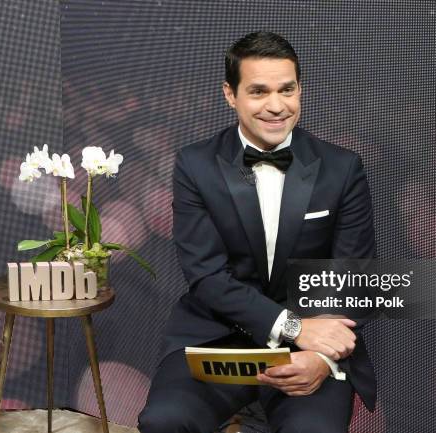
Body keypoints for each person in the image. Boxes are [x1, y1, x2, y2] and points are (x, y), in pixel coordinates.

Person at [138, 31, 376, 433]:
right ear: (230, 94)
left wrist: (322, 356)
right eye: (259, 91)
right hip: (217, 336)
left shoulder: (343, 168)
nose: (277, 106)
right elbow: (207, 277)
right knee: (164, 422)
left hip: (313, 341)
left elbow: (353, 275)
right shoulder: (195, 165)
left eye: (287, 89)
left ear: (301, 89)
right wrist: (293, 328)